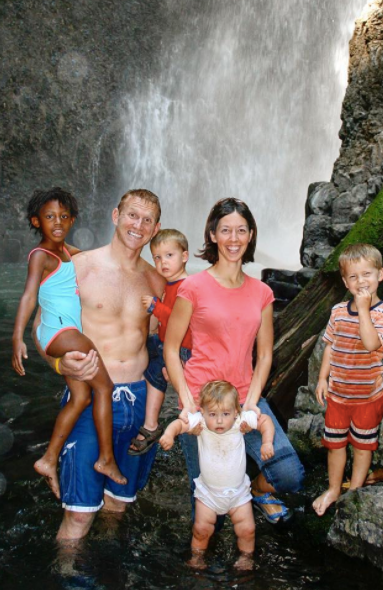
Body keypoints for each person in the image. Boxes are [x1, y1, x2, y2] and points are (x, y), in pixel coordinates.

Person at [32, 188, 165, 540]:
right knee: (78, 515)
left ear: (156, 229)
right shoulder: (78, 268)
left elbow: (156, 344)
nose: (139, 225)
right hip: (91, 397)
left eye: (147, 220)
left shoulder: (157, 281)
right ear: (115, 215)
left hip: (137, 402)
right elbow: (41, 330)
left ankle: (109, 575)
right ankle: (67, 580)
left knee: (118, 505)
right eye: (132, 215)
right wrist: (60, 367)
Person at [164, 197, 305, 524]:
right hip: (201, 401)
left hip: (244, 398)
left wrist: (253, 405)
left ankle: (255, 490)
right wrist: (187, 403)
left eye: (241, 230)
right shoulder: (192, 287)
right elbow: (171, 349)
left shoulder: (262, 293)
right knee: (203, 497)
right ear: (213, 234)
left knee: (289, 475)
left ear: (251, 235)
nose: (234, 238)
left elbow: (266, 353)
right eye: (225, 230)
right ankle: (205, 568)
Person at [12, 188, 127, 498]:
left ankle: (48, 459)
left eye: (64, 216)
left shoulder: (66, 252)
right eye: (49, 217)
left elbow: (97, 258)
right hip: (63, 333)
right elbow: (29, 296)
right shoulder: (41, 256)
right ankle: (106, 459)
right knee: (105, 388)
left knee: (81, 398)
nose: (58, 222)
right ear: (36, 222)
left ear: (73, 219)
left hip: (60, 334)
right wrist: (17, 337)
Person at [312, 243, 383, 516]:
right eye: (353, 276)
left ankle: (354, 491)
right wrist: (323, 378)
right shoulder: (337, 312)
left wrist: (363, 310)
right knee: (335, 445)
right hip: (338, 394)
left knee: (362, 446)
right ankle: (334, 488)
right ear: (345, 281)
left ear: (380, 275)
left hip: (368, 396)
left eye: (367, 274)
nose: (361, 282)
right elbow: (330, 346)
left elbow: (372, 344)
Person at [160, 380, 275, 570]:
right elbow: (179, 424)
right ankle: (197, 558)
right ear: (203, 412)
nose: (219, 420)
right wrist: (169, 435)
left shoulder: (240, 422)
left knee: (247, 530)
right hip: (208, 494)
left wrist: (267, 442)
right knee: (201, 530)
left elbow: (265, 421)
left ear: (236, 412)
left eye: (226, 414)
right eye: (213, 414)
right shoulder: (201, 423)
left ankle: (246, 558)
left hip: (239, 494)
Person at [130, 229, 193, 456]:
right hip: (166, 343)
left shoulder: (187, 285)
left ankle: (155, 424)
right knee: (143, 354)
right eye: (157, 257)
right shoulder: (171, 283)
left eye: (169, 255)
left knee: (158, 374)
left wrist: (156, 306)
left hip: (182, 349)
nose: (162, 262)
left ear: (184, 256)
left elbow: (181, 319)